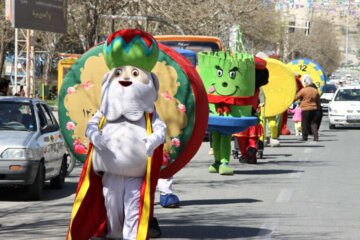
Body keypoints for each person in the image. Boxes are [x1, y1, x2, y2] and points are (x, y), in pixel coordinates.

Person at [294, 74, 320, 141]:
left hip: (305, 109)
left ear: (306, 82)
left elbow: (296, 97)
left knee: (304, 123)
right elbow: (318, 100)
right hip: (314, 109)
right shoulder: (315, 90)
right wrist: (318, 107)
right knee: (313, 123)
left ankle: (305, 137)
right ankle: (316, 137)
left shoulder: (303, 90)